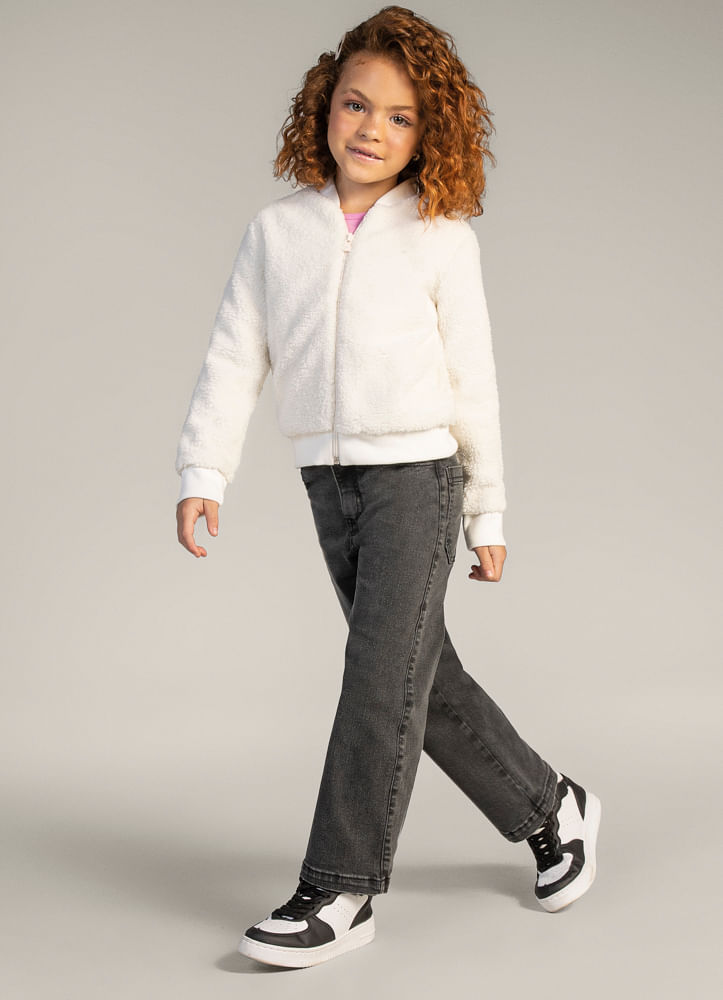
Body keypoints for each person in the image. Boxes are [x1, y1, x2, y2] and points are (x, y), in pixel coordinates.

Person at [174, 5, 601, 970]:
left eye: (400, 117)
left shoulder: (441, 237)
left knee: (378, 678)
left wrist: (488, 510)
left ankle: (341, 887)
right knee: (417, 677)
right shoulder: (276, 233)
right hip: (329, 481)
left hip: (418, 477)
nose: (372, 128)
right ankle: (551, 806)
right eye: (356, 104)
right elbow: (235, 357)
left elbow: (472, 381)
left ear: (428, 134)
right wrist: (204, 470)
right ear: (323, 105)